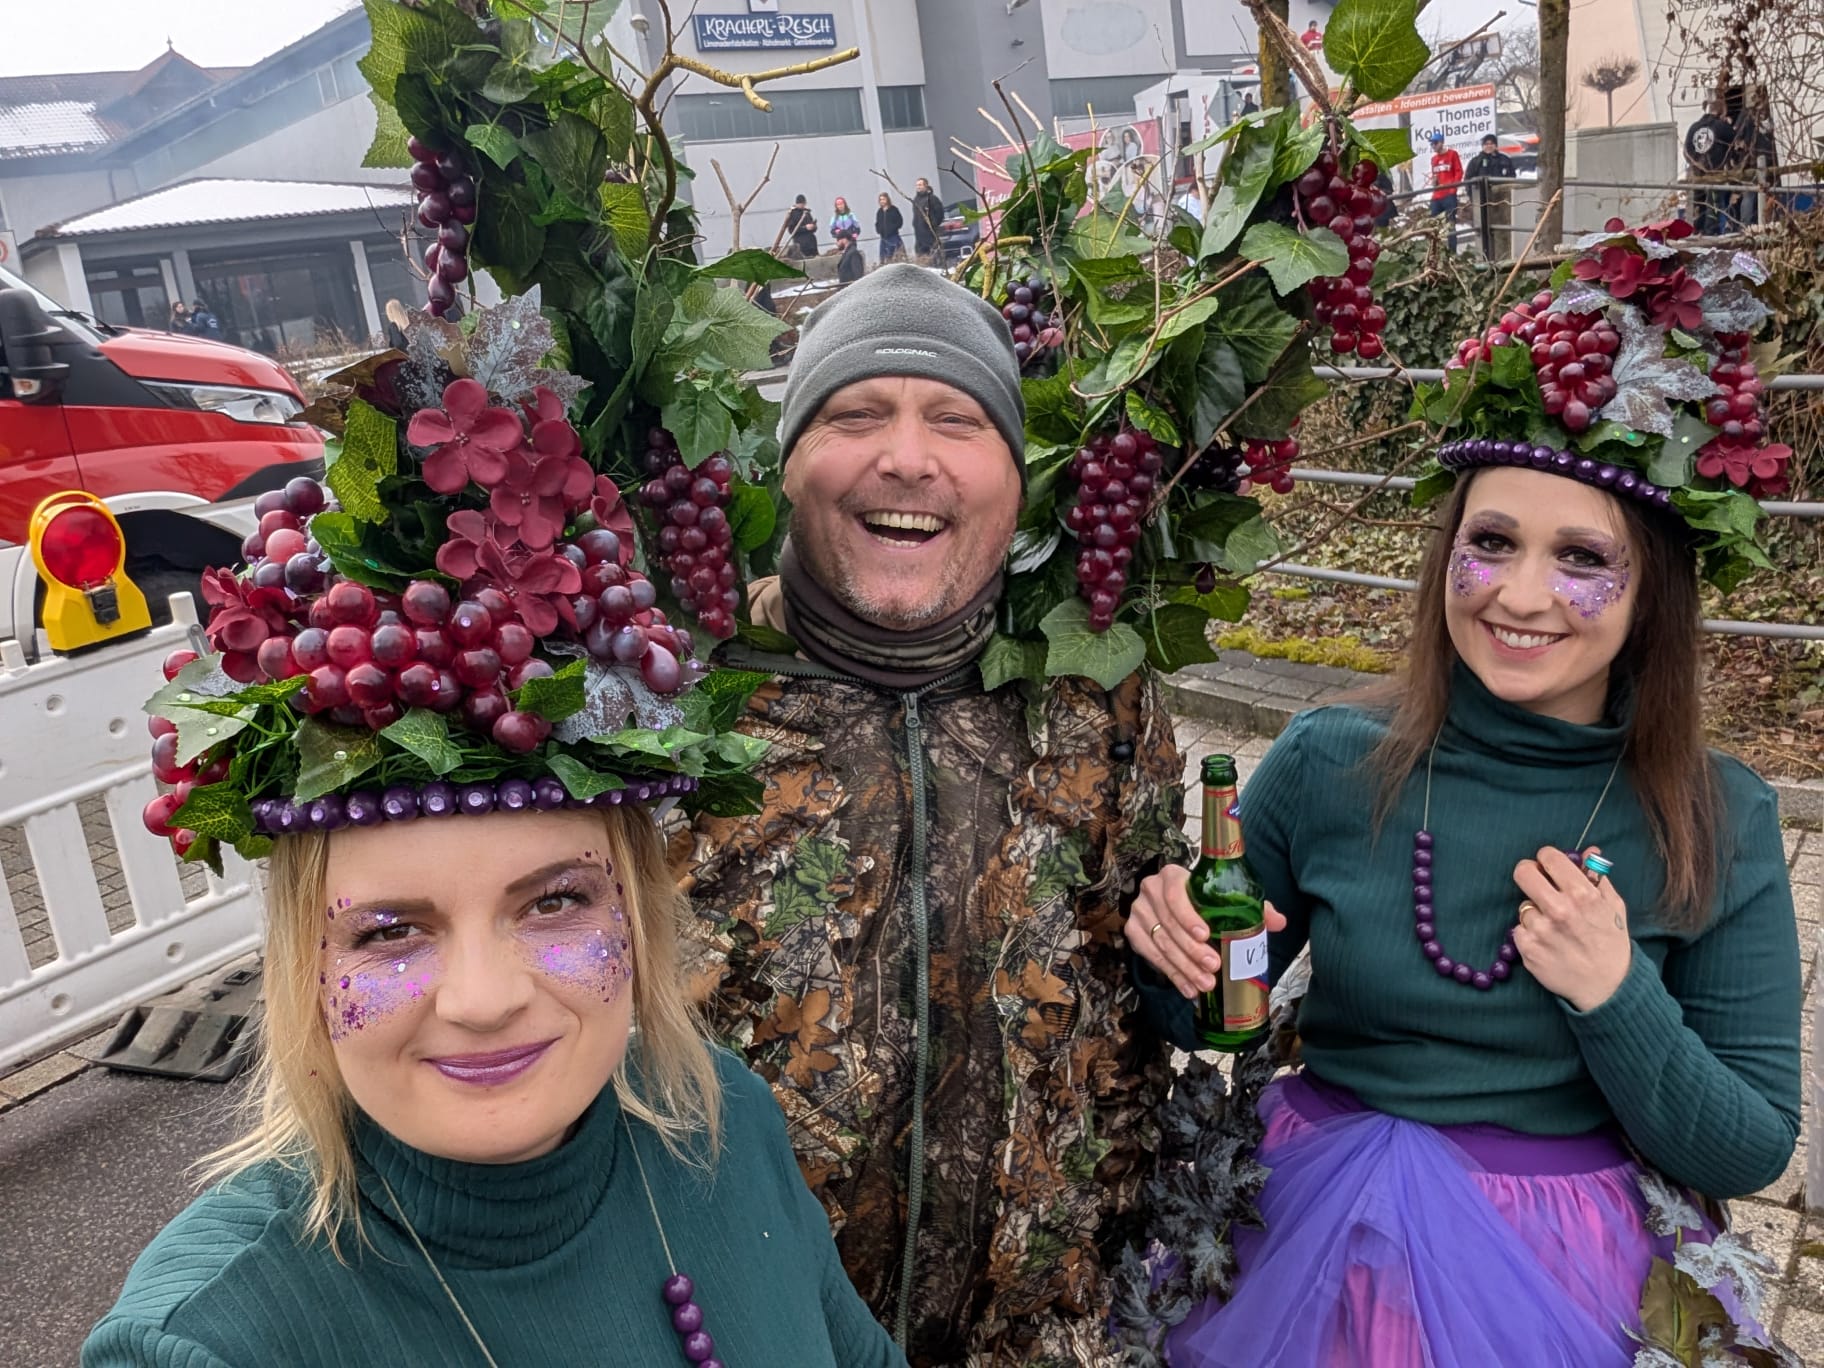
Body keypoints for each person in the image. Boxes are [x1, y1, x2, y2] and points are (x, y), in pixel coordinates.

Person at [83, 297, 906, 1368]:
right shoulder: (211, 1345)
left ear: (637, 908)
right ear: (300, 958)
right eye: (389, 930)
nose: (483, 1001)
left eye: (554, 901)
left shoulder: (722, 1124)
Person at [1128, 225, 1800, 1366]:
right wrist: (1175, 952)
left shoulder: (1716, 818)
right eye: (1492, 542)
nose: (1520, 597)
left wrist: (1616, 993)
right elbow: (1201, 1016)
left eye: (1582, 558)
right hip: (1314, 1242)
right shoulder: (1331, 760)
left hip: (1557, 1278)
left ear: (1653, 591)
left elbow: (1748, 1147)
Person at [671, 263, 1187, 1364]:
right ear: (786, 462)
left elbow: (1135, 1015)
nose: (907, 457)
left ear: (1017, 478)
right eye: (856, 414)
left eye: (957, 419)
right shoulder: (672, 712)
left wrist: (1190, 955)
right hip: (751, 1338)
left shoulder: (1099, 702)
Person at [1685, 95, 1735, 234]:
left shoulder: (1694, 127)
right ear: (1721, 113)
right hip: (1714, 171)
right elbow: (1735, 140)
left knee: (1698, 200)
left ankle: (1697, 228)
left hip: (1697, 171)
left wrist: (1696, 163)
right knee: (1714, 200)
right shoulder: (1720, 126)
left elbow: (1687, 149)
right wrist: (1729, 125)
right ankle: (1711, 229)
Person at [1465, 133, 1517, 257]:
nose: (1489, 146)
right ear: (1483, 146)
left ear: (1496, 145)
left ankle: (1504, 254)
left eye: (1491, 143)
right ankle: (1486, 256)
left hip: (1503, 201)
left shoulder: (1504, 159)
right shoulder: (1476, 162)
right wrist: (1473, 198)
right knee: (1485, 230)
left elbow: (1512, 177)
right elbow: (1468, 180)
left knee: (1503, 229)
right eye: (1486, 144)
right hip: (1484, 202)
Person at [1427, 129, 1464, 252]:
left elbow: (1459, 172)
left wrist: (1453, 189)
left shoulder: (1452, 154)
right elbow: (1435, 176)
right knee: (1433, 224)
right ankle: (1435, 252)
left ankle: (1452, 252)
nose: (1433, 146)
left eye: (1435, 143)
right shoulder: (1434, 159)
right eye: (1431, 143)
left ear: (1442, 142)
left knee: (1450, 224)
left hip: (1449, 195)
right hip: (1437, 196)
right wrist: (1434, 182)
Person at [910, 176, 943, 260]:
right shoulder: (916, 200)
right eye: (917, 185)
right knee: (921, 256)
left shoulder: (932, 199)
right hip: (919, 235)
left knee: (933, 255)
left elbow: (940, 214)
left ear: (926, 186)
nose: (918, 187)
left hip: (930, 233)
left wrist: (932, 224)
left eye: (920, 185)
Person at [785, 194, 821, 259]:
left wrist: (813, 227)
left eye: (803, 204)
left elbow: (813, 227)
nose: (802, 205)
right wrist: (805, 228)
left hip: (811, 243)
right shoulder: (793, 214)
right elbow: (791, 230)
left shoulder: (806, 212)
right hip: (800, 243)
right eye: (801, 204)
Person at [875, 192, 905, 262]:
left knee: (897, 256)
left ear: (887, 200)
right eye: (880, 200)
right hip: (883, 238)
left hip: (893, 237)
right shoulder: (879, 211)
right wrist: (879, 230)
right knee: (884, 258)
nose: (882, 201)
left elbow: (900, 222)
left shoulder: (894, 210)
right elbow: (877, 223)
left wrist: (892, 229)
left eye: (883, 199)